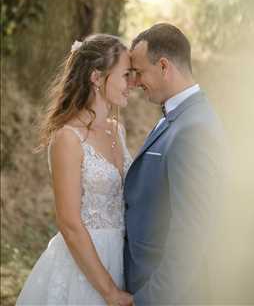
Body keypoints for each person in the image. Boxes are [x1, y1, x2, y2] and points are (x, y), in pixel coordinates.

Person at [16, 34, 133, 306]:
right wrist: (109, 292)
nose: (133, 84)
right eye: (126, 75)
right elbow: (69, 224)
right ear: (96, 77)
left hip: (122, 258)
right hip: (84, 265)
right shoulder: (68, 138)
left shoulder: (118, 130)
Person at [124, 23, 227, 305]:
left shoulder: (194, 129)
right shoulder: (178, 115)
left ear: (164, 67)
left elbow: (192, 231)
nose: (134, 82)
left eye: (140, 72)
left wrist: (148, 299)